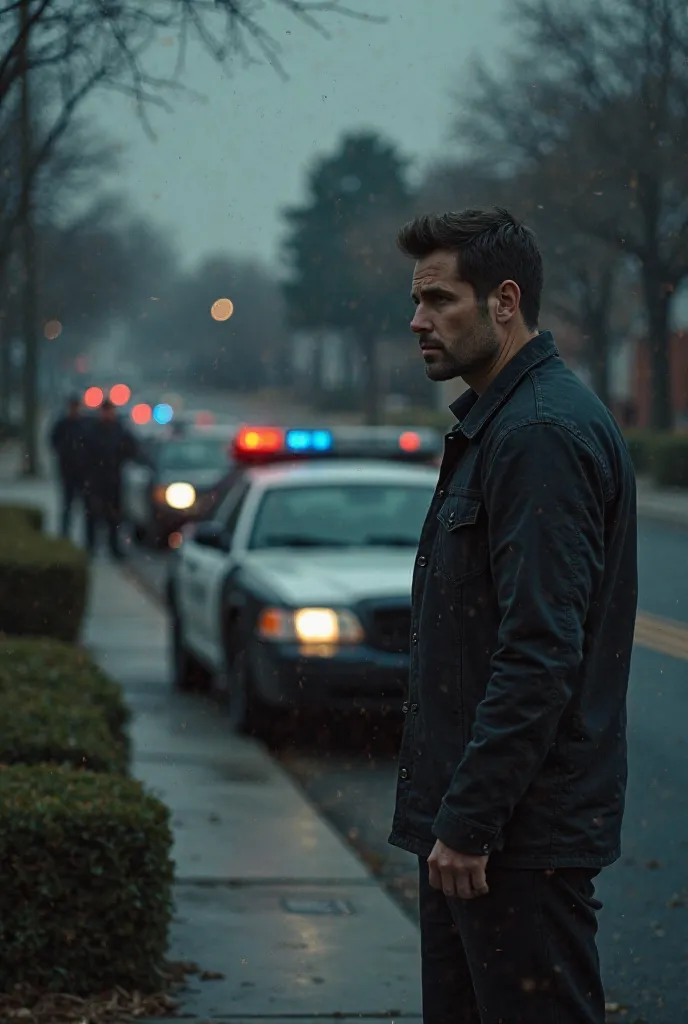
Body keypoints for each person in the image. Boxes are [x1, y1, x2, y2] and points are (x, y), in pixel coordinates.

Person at [388, 208, 637, 1024]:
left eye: (439, 300)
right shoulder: (503, 423)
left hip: (511, 845)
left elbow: (539, 651)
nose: (419, 321)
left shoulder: (537, 433)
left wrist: (468, 822)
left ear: (504, 301)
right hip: (482, 835)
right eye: (417, 301)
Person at [83, 398, 141, 559]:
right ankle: (90, 548)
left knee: (114, 517)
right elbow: (84, 455)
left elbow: (132, 449)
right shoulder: (93, 431)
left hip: (114, 480)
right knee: (92, 516)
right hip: (95, 481)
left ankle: (113, 548)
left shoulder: (119, 430)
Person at [49, 395, 88, 537]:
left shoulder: (82, 425)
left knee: (83, 508)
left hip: (82, 473)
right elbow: (53, 443)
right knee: (67, 506)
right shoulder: (63, 425)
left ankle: (86, 540)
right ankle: (65, 535)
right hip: (67, 471)